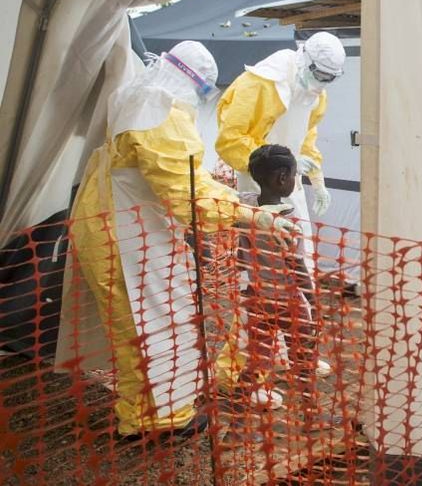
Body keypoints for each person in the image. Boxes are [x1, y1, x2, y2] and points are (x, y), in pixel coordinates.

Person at [56, 41, 296, 439]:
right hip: (128, 233)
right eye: (205, 91)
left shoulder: (136, 95)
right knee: (154, 322)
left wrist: (236, 205)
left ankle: (150, 413)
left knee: (146, 324)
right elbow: (184, 189)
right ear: (193, 82)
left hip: (122, 221)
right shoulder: (159, 109)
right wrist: (246, 213)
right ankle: (156, 422)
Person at [214, 32, 346, 385]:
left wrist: (314, 178)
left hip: (291, 183)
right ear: (305, 60)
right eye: (319, 76)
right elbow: (229, 140)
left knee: (302, 266)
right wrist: (271, 170)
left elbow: (308, 139)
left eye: (328, 80)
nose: (321, 85)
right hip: (259, 185)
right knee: (260, 283)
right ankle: (244, 371)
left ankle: (299, 355)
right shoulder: (262, 82)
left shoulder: (315, 92)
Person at [232, 145, 329, 430]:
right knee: (304, 359)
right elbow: (296, 267)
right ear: (282, 177)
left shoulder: (246, 207)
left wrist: (244, 281)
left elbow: (241, 254)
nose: (296, 181)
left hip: (257, 297)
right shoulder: (289, 218)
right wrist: (314, 301)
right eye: (295, 176)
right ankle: (312, 417)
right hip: (288, 301)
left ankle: (236, 427)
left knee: (256, 364)